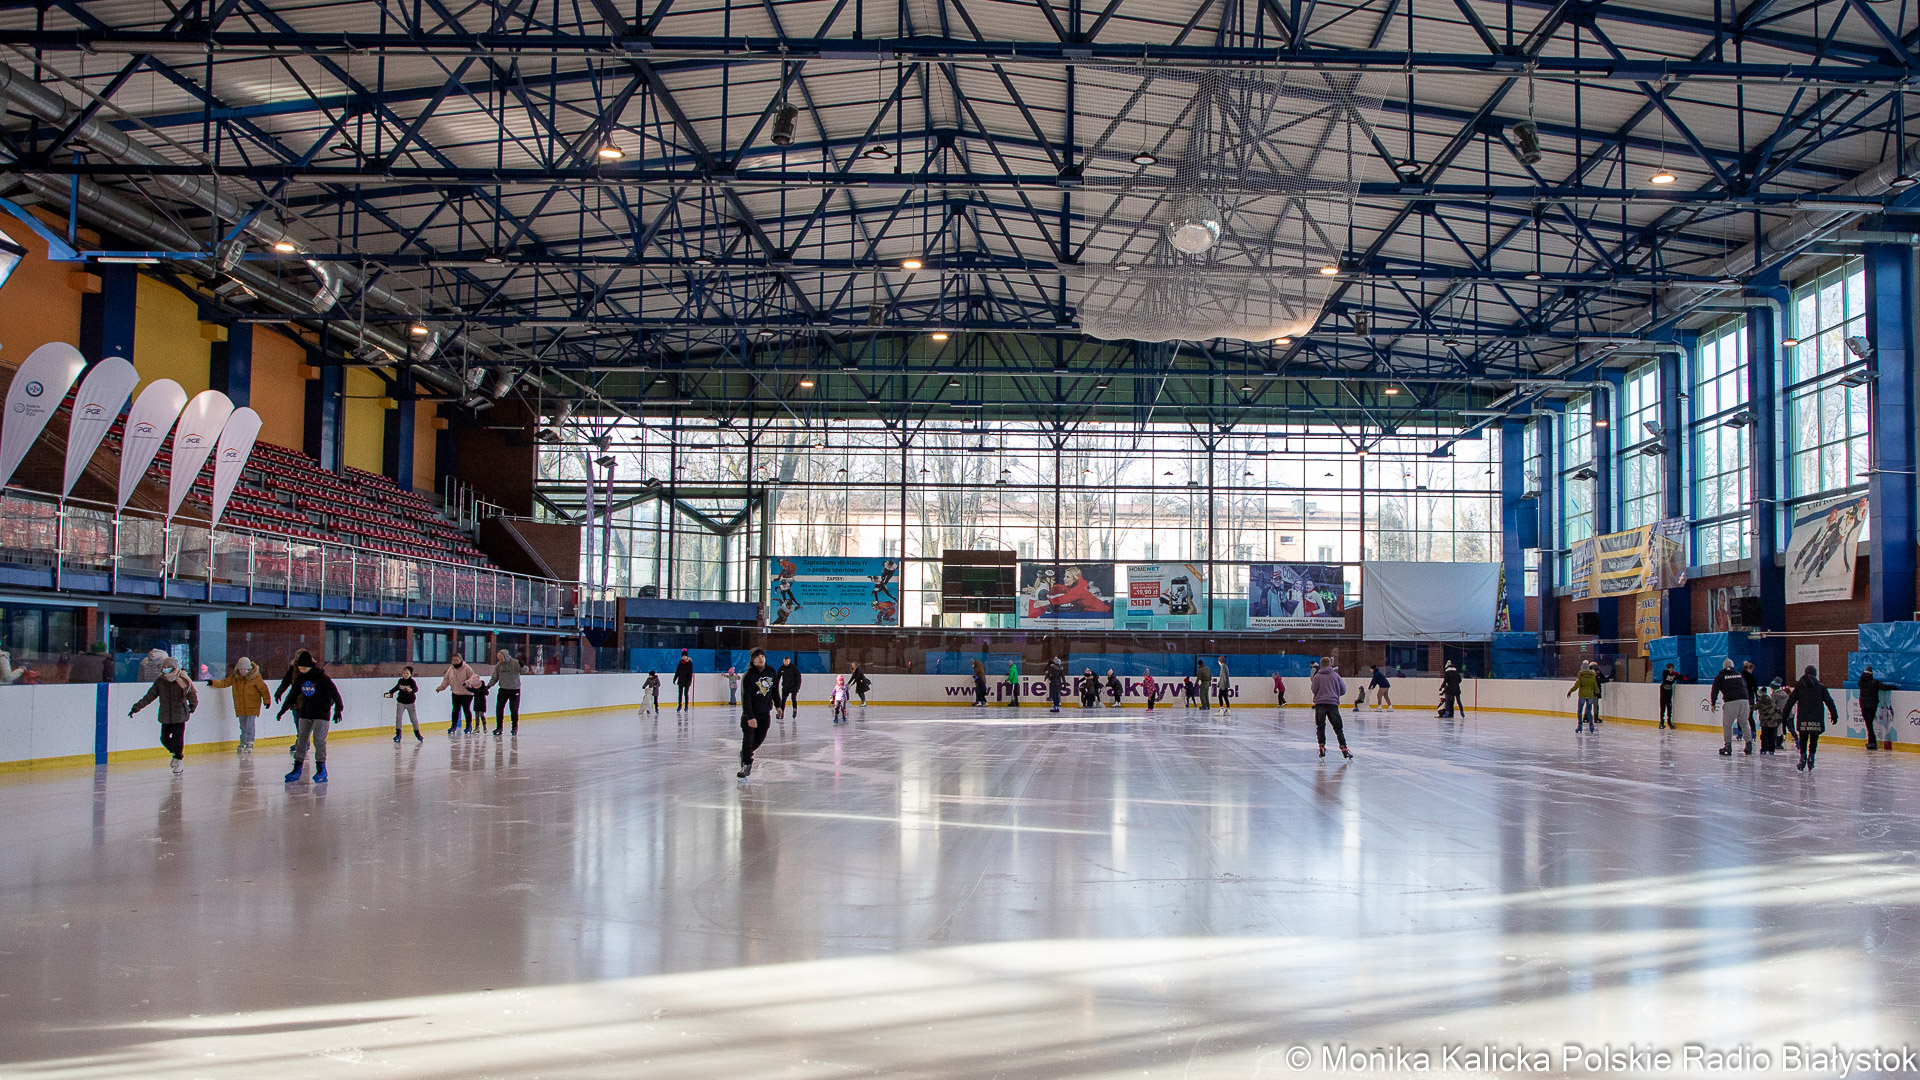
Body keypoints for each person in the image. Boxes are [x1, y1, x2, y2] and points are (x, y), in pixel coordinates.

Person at [276, 653, 342, 783]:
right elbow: (292, 695)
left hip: (322, 714)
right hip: (306, 713)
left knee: (319, 740)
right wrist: (282, 710)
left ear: (310, 666)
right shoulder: (300, 679)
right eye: (300, 668)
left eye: (304, 668)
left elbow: (335, 694)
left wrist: (338, 710)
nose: (302, 670)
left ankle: (321, 768)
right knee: (301, 740)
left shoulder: (322, 678)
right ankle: (297, 768)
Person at [130, 658, 198, 775]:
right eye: (164, 667)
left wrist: (192, 705)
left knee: (177, 738)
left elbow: (191, 693)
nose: (165, 669)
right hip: (165, 714)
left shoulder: (182, 679)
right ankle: (175, 754)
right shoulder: (160, 681)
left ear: (174, 668)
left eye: (168, 667)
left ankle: (179, 760)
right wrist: (137, 707)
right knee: (164, 738)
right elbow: (149, 696)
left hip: (179, 714)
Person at [209, 657, 270, 753]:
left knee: (250, 725)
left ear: (249, 669)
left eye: (245, 669)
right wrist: (213, 682)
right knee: (242, 726)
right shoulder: (235, 677)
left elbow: (263, 689)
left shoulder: (256, 677)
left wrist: (267, 701)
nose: (242, 671)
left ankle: (250, 742)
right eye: (241, 669)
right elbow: (225, 682)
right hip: (240, 706)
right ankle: (243, 742)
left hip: (253, 706)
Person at [1786, 666, 1839, 771]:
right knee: (1814, 738)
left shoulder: (1800, 686)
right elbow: (1829, 701)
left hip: (1803, 716)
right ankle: (1811, 757)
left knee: (1803, 738)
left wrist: (1785, 714)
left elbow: (1791, 700)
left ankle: (1802, 758)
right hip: (1816, 716)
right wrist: (1834, 714)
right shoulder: (1821, 687)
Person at [738, 648, 776, 778]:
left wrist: (779, 705)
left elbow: (774, 690)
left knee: (759, 739)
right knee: (748, 740)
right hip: (750, 714)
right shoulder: (748, 675)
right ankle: (746, 764)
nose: (761, 659)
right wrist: (750, 716)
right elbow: (746, 698)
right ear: (753, 660)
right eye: (758, 657)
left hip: (764, 713)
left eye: (762, 656)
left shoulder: (771, 671)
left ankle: (745, 753)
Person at [1310, 657, 1352, 759]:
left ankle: (1321, 747)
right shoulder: (1335, 676)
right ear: (1330, 664)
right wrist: (1334, 694)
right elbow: (1343, 690)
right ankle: (1344, 748)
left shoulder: (1317, 676)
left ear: (1321, 664)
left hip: (1320, 704)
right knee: (1338, 728)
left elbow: (1314, 689)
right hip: (1333, 704)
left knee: (1320, 726)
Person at [1709, 658, 1752, 756]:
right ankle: (1749, 744)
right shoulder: (1739, 675)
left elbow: (1714, 690)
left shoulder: (1720, 677)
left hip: (1731, 701)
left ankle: (1728, 746)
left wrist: (1713, 702)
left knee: (1727, 725)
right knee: (1744, 723)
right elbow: (1745, 687)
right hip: (1745, 700)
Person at [435, 653, 477, 735]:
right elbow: (446, 680)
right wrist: (440, 688)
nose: (455, 662)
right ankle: (453, 726)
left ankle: (468, 725)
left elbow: (473, 677)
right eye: (454, 660)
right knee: (455, 710)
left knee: (466, 709)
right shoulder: (451, 669)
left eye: (457, 660)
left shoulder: (467, 668)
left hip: (466, 693)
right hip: (455, 692)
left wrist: (467, 682)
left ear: (461, 660)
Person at [489, 649, 524, 735]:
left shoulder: (515, 663)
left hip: (514, 690)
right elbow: (495, 677)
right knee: (499, 708)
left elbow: (524, 671)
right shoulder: (499, 665)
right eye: (499, 659)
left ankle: (514, 727)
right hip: (503, 689)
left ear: (506, 656)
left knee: (514, 709)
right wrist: (489, 685)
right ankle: (499, 727)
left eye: (501, 658)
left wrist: (522, 666)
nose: (500, 660)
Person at [383, 665, 421, 742]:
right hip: (401, 702)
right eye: (404, 673)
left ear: (410, 674)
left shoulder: (412, 682)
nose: (405, 675)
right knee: (398, 718)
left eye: (407, 673)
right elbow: (396, 688)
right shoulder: (400, 681)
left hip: (410, 703)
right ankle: (398, 734)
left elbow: (416, 689)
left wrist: (411, 690)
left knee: (413, 719)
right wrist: (390, 693)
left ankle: (417, 734)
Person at [1858, 664, 1892, 751]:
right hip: (1872, 705)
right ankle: (1872, 742)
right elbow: (1884, 687)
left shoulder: (1861, 683)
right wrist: (1894, 687)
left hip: (1864, 706)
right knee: (1869, 724)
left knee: (1868, 724)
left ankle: (1872, 742)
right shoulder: (1875, 683)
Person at [1754, 676, 1786, 755]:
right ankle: (1772, 748)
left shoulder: (1765, 700)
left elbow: (1753, 708)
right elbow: (1776, 708)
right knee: (1773, 734)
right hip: (1774, 720)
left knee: (1765, 735)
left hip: (1765, 721)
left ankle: (1764, 748)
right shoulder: (1778, 696)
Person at [1568, 663, 1601, 733]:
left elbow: (1576, 686)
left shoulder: (1581, 675)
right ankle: (1591, 725)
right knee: (1589, 711)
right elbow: (1595, 685)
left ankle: (1580, 725)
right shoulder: (1592, 675)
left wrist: (1570, 691)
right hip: (1590, 696)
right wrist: (1597, 691)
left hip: (1582, 695)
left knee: (1580, 711)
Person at [1658, 663, 1684, 729]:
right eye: (1670, 668)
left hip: (1669, 691)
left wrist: (1683, 677)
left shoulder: (1674, 675)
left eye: (1672, 668)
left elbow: (1680, 677)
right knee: (1663, 707)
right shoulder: (1665, 673)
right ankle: (1661, 722)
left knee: (1669, 706)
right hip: (1664, 691)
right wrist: (1672, 673)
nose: (1672, 669)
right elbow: (1666, 673)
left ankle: (1669, 721)